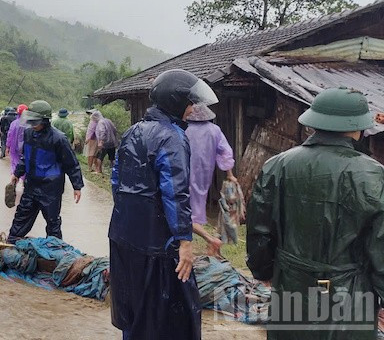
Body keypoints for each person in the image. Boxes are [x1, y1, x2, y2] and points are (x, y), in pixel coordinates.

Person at [247, 88, 384, 339]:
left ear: (314, 122)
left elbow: (259, 230)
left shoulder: (278, 165)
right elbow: (381, 245)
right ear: (357, 129)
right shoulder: (373, 175)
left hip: (291, 285)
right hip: (351, 296)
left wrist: (263, 271)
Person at [109, 69, 218, 339]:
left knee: (134, 310)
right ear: (176, 101)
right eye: (190, 103)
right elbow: (176, 193)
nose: (192, 109)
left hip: (122, 237)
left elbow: (116, 182)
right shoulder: (173, 137)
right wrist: (185, 242)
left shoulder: (132, 131)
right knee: (169, 317)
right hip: (157, 245)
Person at [7, 100, 83, 242]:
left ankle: (54, 249)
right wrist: (17, 173)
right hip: (31, 185)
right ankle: (11, 243)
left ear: (45, 120)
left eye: (35, 122)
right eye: (30, 121)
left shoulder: (59, 139)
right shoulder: (29, 133)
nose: (32, 124)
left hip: (51, 189)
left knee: (53, 222)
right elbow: (25, 157)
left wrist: (77, 186)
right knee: (20, 218)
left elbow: (71, 163)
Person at [185, 104, 236, 257]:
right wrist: (229, 174)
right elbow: (225, 152)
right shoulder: (214, 130)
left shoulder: (183, 129)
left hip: (183, 173)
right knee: (195, 207)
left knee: (183, 211)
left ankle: (210, 240)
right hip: (203, 174)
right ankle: (196, 243)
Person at [6, 104, 29, 176]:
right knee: (25, 164)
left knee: (14, 163)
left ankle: (15, 177)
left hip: (14, 148)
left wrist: (8, 146)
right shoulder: (30, 124)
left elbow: (10, 135)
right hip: (26, 148)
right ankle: (23, 178)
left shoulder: (14, 123)